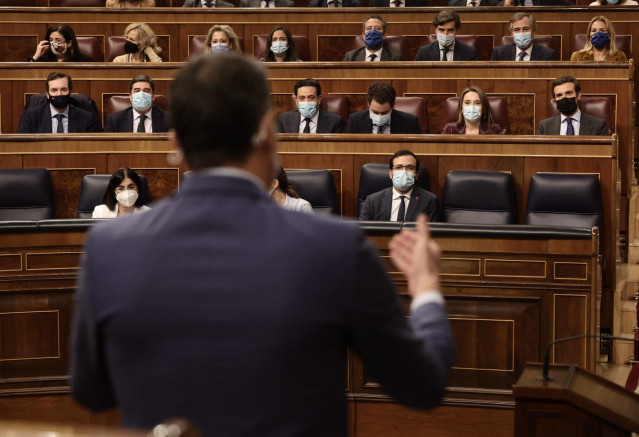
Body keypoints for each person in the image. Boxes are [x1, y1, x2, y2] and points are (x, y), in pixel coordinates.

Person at [70, 53, 454, 436]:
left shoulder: (107, 248)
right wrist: (425, 290)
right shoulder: (336, 248)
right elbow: (422, 384)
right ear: (269, 131)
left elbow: (92, 392)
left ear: (176, 142)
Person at [359, 150, 438, 222]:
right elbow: (362, 232)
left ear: (416, 175)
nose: (404, 172)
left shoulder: (429, 201)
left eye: (410, 168)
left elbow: (432, 234)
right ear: (391, 174)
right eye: (398, 167)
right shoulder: (373, 201)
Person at [18, 72, 102, 134]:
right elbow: (22, 147)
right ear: (47, 94)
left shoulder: (87, 118)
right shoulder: (31, 117)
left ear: (70, 92)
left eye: (63, 89)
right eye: (54, 90)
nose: (59, 94)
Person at [537, 75, 610, 135]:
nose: (564, 98)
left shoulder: (598, 125)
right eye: (559, 95)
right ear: (555, 99)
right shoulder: (544, 127)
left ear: (578, 95)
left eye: (569, 93)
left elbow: (605, 152)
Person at [347, 82, 422, 134]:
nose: (379, 116)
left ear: (393, 105)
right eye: (375, 112)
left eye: (384, 113)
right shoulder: (355, 121)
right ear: (368, 104)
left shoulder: (410, 123)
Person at [277, 78, 345, 133]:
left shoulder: (335, 122)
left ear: (319, 99)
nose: (306, 102)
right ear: (296, 100)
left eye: (311, 97)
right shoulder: (284, 120)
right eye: (302, 98)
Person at [105, 75, 170, 133]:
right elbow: (107, 145)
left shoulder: (168, 119)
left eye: (146, 91)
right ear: (130, 97)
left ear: (152, 97)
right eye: (137, 90)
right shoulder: (115, 120)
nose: (141, 94)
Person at [414, 11, 479, 61]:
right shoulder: (423, 52)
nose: (445, 34)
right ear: (435, 30)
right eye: (441, 30)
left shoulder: (470, 53)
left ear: (456, 30)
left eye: (450, 30)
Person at [491, 13, 556, 61]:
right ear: (512, 34)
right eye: (517, 30)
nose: (521, 33)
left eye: (525, 29)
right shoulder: (499, 53)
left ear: (533, 32)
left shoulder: (548, 54)